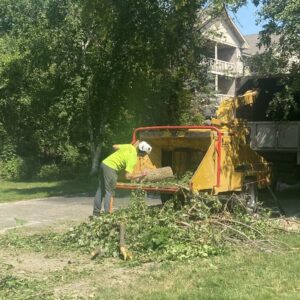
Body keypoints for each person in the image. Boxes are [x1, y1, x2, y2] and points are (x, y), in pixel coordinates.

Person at [92, 141, 152, 216]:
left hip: (104, 164)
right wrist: (141, 174)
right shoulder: (133, 159)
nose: (144, 156)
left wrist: (120, 156)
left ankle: (96, 213)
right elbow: (127, 176)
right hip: (111, 168)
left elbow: (114, 146)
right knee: (109, 192)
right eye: (145, 154)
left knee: (100, 189)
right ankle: (106, 215)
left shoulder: (130, 147)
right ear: (143, 153)